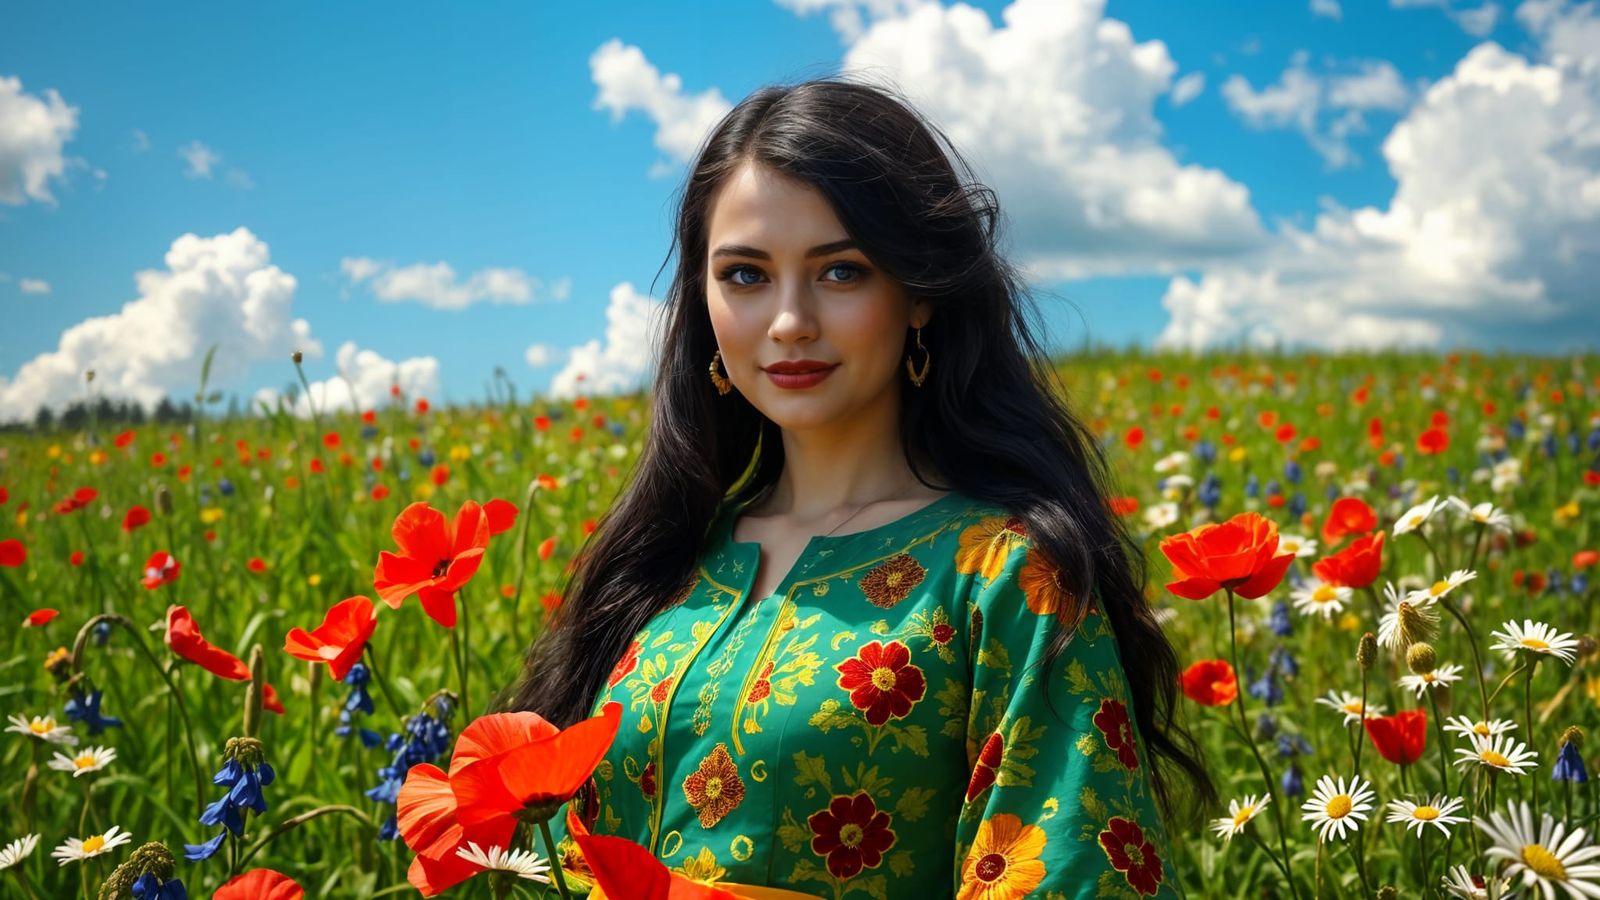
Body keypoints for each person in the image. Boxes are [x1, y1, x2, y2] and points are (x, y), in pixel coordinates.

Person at [506, 76, 1213, 897]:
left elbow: (1069, 871)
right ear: (702, 301)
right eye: (744, 275)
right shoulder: (664, 566)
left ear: (917, 296)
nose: (788, 321)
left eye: (840, 272)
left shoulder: (1005, 579)